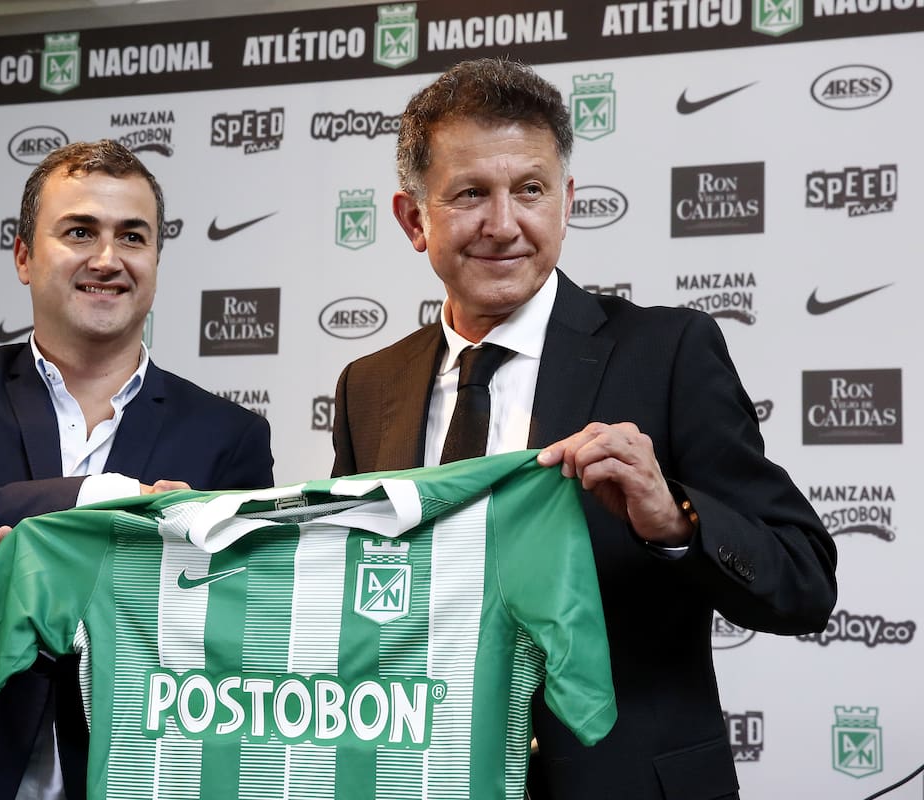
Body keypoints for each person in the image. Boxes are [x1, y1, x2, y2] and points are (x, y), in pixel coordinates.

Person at [330, 59, 837, 799]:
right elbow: (346, 591)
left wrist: (675, 519)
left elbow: (804, 581)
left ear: (565, 203)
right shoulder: (368, 385)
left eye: (529, 190)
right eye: (470, 194)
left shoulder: (668, 352)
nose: (503, 225)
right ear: (415, 219)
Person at [0, 140, 274, 800]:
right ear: (22, 256)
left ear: (155, 259)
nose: (107, 258)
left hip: (130, 776)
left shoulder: (228, 437)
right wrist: (103, 502)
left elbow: (244, 631)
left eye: (133, 236)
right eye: (79, 232)